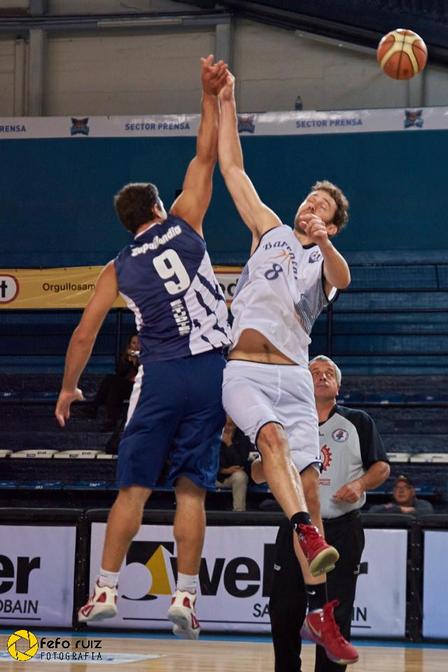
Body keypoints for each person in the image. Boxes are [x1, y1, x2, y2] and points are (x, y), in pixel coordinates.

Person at [55, 55, 231, 640]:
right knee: (191, 489)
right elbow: (205, 155)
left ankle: (106, 589)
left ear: (127, 223)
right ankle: (185, 597)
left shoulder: (117, 267)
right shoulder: (186, 220)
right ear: (158, 207)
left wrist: (68, 387)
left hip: (160, 375)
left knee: (132, 487)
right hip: (210, 372)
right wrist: (208, 94)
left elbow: (84, 333)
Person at [217, 72, 354, 659]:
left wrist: (324, 242)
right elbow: (232, 169)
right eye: (309, 200)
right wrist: (227, 102)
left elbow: (344, 276)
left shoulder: (325, 261)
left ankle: (320, 611)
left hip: (295, 376)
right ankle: (301, 530)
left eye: (322, 207)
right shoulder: (270, 229)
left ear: (333, 223)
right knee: (270, 440)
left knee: (311, 490)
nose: (310, 206)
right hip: (246, 370)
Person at [266, 355, 390, 671]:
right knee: (283, 610)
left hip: (342, 529)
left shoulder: (358, 421)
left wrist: (360, 484)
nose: (322, 376)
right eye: (315, 372)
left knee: (335, 613)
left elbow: (382, 467)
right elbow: (259, 470)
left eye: (328, 373)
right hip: (298, 528)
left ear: (338, 386)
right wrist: (262, 466)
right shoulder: (286, 423)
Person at [88, 334, 140, 431]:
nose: (136, 346)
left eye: (139, 343)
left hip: (140, 387)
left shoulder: (147, 356)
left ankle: (97, 411)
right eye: (134, 343)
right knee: (111, 381)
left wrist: (137, 362)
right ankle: (96, 409)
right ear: (129, 345)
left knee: (115, 384)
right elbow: (119, 372)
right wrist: (128, 362)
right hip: (126, 386)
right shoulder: (125, 357)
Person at [216, 416, 251, 512]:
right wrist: (223, 470)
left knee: (241, 476)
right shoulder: (212, 434)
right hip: (212, 477)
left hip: (231, 477)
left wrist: (229, 444)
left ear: (235, 425)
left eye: (230, 425)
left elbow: (241, 463)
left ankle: (239, 512)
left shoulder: (243, 437)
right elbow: (206, 460)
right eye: (224, 424)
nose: (227, 428)